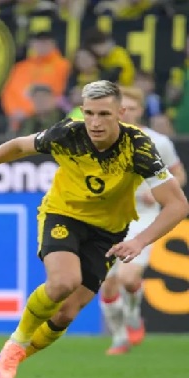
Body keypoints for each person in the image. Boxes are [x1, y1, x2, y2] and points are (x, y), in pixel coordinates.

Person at [0, 80, 189, 378]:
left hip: (107, 232)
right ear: (82, 111)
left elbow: (178, 205)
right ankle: (13, 346)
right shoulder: (69, 133)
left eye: (104, 114)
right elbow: (19, 146)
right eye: (89, 113)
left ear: (121, 113)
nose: (95, 123)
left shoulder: (138, 146)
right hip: (63, 214)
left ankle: (8, 362)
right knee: (63, 282)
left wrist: (139, 241)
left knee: (67, 312)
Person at [99, 86, 187, 355]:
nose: (126, 113)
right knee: (107, 284)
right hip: (107, 217)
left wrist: (156, 190)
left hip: (142, 214)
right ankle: (119, 336)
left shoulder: (158, 142)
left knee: (128, 277)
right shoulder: (100, 140)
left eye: (132, 108)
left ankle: (133, 314)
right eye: (121, 108)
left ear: (140, 111)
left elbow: (179, 174)